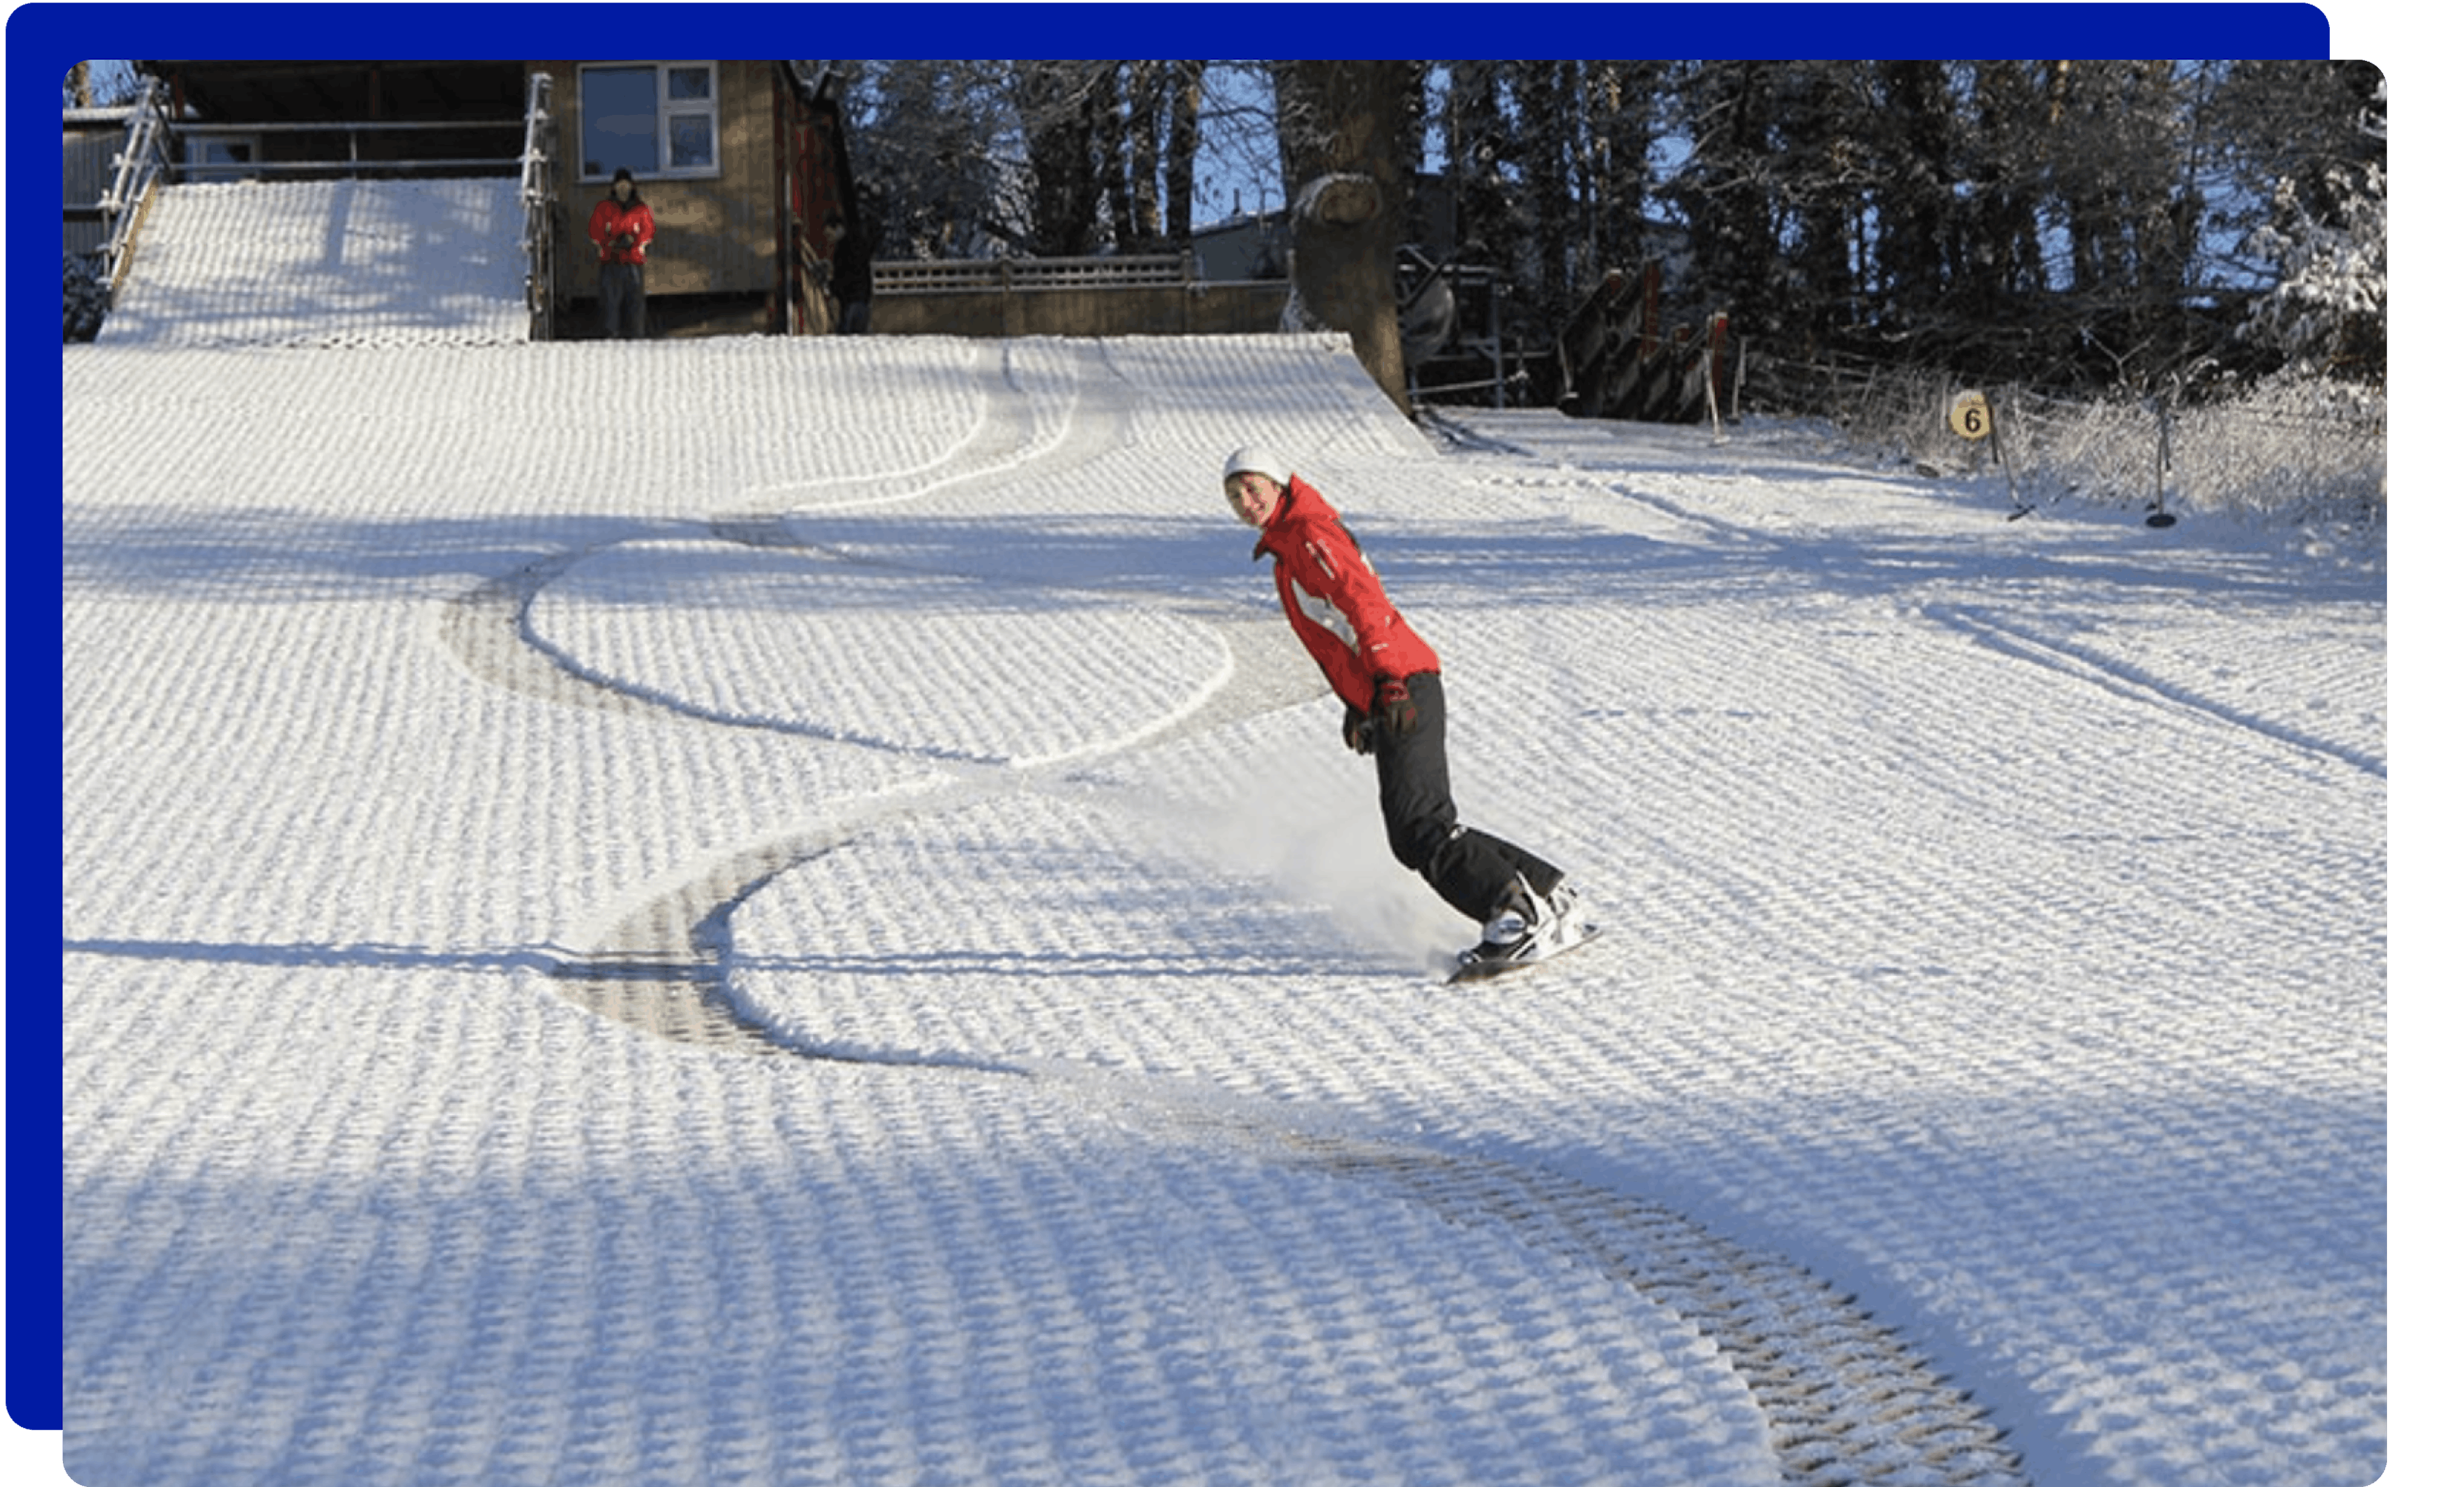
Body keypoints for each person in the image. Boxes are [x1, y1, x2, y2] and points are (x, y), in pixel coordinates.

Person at [1222, 446, 1584, 975]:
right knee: (1429, 821)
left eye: (1254, 488)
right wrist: (1359, 702)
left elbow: (1364, 603)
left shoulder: (1308, 536)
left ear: (1279, 485)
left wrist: (1388, 679)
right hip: (1396, 683)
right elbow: (1339, 631)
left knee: (1419, 829)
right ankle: (1551, 895)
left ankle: (1514, 914)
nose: (1246, 502)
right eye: (1235, 496)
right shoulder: (1294, 541)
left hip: (1403, 680)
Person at [588, 169, 655, 339]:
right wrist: (610, 240)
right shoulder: (604, 208)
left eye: (626, 185)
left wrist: (636, 242)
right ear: (614, 187)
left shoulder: (641, 209)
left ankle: (637, 336)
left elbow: (648, 231)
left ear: (632, 187)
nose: (623, 189)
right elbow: (595, 231)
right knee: (610, 303)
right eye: (620, 185)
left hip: (634, 261)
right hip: (611, 261)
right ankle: (611, 337)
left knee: (636, 303)